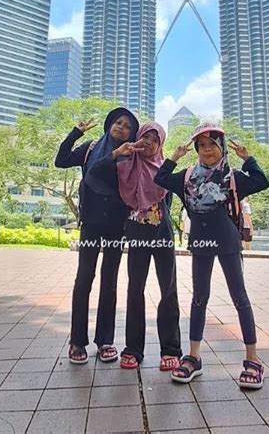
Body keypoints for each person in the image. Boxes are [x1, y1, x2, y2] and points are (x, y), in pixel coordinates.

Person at [154, 124, 269, 388]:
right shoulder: (186, 177)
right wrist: (173, 158)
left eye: (212, 145)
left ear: (221, 148)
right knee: (199, 298)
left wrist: (248, 159)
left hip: (228, 240)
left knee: (239, 297)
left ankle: (253, 360)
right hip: (201, 241)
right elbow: (160, 179)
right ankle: (193, 357)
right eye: (202, 146)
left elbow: (262, 181)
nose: (207, 150)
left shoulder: (233, 176)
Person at [90, 122, 182, 371]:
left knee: (168, 289)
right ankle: (133, 349)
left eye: (155, 139)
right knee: (135, 289)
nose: (149, 142)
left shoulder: (165, 168)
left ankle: (171, 349)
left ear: (160, 143)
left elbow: (169, 199)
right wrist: (120, 152)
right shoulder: (125, 165)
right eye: (145, 137)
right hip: (136, 232)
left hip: (162, 232)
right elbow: (94, 174)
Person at [55, 107, 139, 365]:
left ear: (131, 134)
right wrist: (75, 133)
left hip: (116, 224)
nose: (120, 127)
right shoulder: (92, 148)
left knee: (109, 281)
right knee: (84, 279)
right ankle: (77, 341)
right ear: (109, 124)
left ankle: (105, 341)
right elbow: (62, 161)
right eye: (117, 122)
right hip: (91, 221)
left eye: (127, 126)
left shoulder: (131, 156)